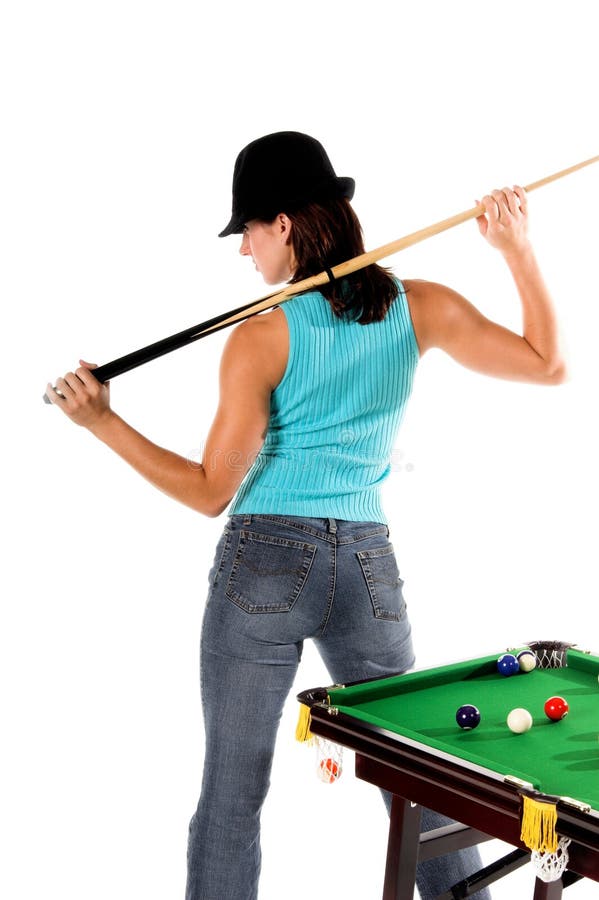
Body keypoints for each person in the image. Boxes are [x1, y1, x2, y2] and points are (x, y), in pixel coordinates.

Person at [46, 131, 565, 900]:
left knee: (232, 794)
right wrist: (515, 249)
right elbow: (545, 364)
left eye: (247, 231)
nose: (244, 251)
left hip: (265, 562)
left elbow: (208, 491)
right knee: (421, 780)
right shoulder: (420, 307)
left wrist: (102, 424)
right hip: (366, 566)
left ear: (282, 224)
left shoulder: (260, 334)